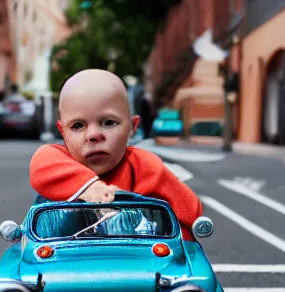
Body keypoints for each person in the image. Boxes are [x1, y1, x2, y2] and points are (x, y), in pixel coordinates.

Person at [29, 69, 202, 241]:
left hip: (133, 261)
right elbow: (41, 164)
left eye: (109, 122)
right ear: (63, 132)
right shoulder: (58, 158)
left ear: (132, 127)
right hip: (62, 260)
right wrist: (91, 189)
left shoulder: (145, 166)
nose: (93, 134)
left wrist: (180, 247)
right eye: (77, 126)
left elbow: (190, 213)